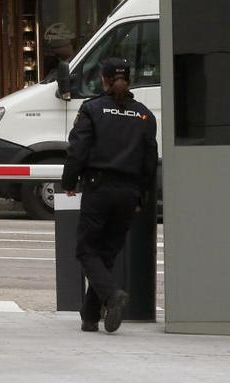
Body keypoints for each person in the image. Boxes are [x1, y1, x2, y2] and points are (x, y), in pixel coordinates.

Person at [62, 58, 158, 333]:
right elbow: (149, 163)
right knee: (105, 254)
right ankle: (90, 316)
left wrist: (69, 182)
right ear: (128, 80)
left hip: (99, 188)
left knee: (86, 250)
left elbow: (77, 149)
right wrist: (141, 197)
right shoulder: (144, 115)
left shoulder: (92, 109)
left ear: (103, 80)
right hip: (128, 194)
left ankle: (112, 295)